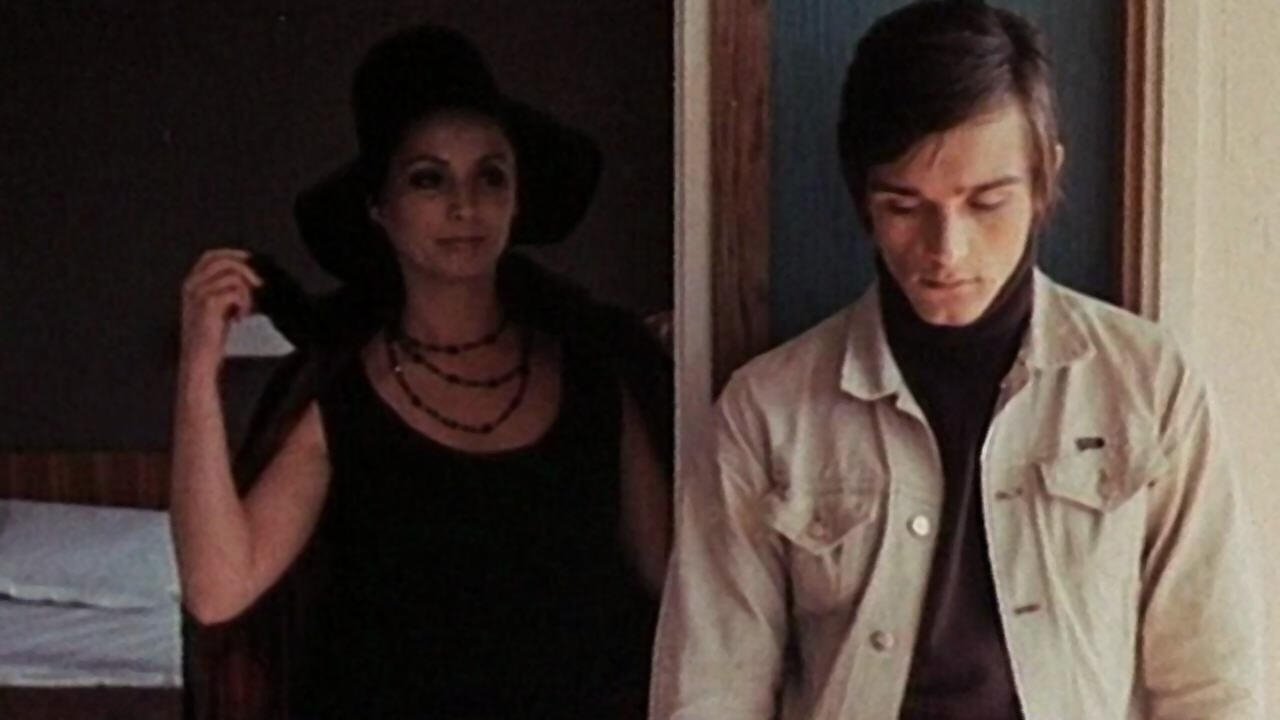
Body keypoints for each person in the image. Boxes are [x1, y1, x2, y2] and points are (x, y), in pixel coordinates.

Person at [650, 2, 1263, 718]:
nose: (946, 250)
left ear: (1044, 180)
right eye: (905, 207)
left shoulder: (1147, 385)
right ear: (863, 200)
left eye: (986, 203)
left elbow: (1211, 683)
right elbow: (709, 690)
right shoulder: (767, 412)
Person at [170, 24, 672, 719]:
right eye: (429, 178)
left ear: (517, 198)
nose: (465, 205)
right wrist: (198, 368)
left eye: (490, 175)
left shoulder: (596, 378)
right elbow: (217, 589)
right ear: (379, 208)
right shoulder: (341, 396)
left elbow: (677, 586)